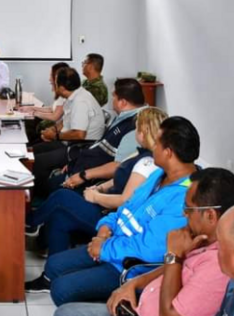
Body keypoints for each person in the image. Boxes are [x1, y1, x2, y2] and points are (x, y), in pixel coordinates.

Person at [25, 116, 200, 307]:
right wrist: (103, 230)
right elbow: (126, 209)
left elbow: (149, 251)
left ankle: (114, 301)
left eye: (157, 143)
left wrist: (105, 249)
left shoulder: (186, 196)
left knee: (61, 289)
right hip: (113, 243)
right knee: (54, 265)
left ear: (168, 153)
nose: (153, 147)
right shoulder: (159, 174)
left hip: (129, 266)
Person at [55, 167, 234, 316]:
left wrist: (173, 255)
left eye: (189, 208)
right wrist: (134, 284)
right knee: (65, 311)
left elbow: (170, 313)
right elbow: (169, 268)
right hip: (138, 305)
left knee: (64, 305)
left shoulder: (218, 267)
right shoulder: (201, 240)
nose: (184, 213)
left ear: (210, 215)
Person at [26, 107, 168, 256]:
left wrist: (96, 197)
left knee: (62, 196)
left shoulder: (147, 163)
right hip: (105, 204)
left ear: (144, 132)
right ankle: (51, 274)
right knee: (59, 218)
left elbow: (125, 200)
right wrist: (98, 189)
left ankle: (31, 223)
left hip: (112, 217)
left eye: (137, 127)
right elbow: (119, 179)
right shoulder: (141, 154)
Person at [32, 78, 146, 200]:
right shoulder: (123, 117)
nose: (112, 101)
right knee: (42, 183)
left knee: (44, 188)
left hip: (88, 178)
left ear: (122, 102)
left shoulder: (135, 126)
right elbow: (100, 145)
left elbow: (119, 166)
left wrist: (83, 175)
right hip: (81, 163)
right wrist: (75, 160)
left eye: (114, 97)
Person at [20, 62, 69, 143]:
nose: (49, 79)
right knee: (29, 121)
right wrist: (31, 108)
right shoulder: (60, 93)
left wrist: (34, 112)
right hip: (56, 126)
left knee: (30, 122)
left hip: (56, 128)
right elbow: (51, 108)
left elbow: (55, 116)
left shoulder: (64, 94)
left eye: (51, 76)